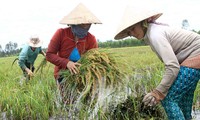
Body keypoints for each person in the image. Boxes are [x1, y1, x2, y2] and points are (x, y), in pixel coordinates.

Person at [114, 6, 200, 120]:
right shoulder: (152, 32)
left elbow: (172, 66)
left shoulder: (155, 34)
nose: (132, 33)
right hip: (193, 58)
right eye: (129, 32)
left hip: (195, 55)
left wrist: (158, 92)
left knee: (169, 99)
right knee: (183, 102)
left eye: (133, 28)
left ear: (142, 23)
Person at [46, 3, 102, 103]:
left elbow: (94, 61)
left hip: (81, 74)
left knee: (82, 101)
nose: (85, 28)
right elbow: (49, 55)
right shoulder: (61, 34)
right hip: (62, 73)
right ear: (73, 24)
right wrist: (66, 63)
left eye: (87, 26)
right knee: (67, 101)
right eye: (82, 26)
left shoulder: (91, 39)